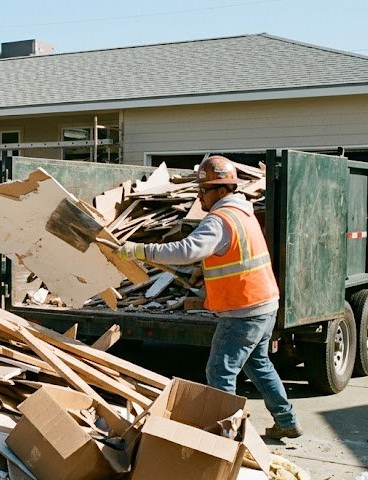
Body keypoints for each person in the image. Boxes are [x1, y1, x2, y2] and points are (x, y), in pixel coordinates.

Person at [117, 155, 302, 439]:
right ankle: (286, 421)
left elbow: (187, 251)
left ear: (222, 190)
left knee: (219, 373)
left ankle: (225, 440)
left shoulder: (219, 219)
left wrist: (140, 251)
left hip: (243, 310)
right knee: (259, 364)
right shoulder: (243, 213)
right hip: (264, 305)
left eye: (203, 190)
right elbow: (231, 255)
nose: (199, 197)